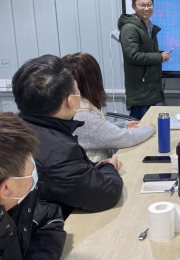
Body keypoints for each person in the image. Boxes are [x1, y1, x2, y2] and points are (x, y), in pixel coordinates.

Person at [12, 55, 124, 219]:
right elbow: (107, 195)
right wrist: (110, 167)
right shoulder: (59, 152)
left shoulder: (18, 126)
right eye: (77, 89)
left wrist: (95, 167)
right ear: (71, 101)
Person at [0, 112, 66, 260]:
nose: (34, 171)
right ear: (6, 188)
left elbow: (48, 220)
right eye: (30, 166)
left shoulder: (17, 202)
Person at [62, 52, 156, 163]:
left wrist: (121, 126)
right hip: (94, 173)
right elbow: (125, 139)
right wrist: (149, 128)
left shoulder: (74, 107)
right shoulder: (82, 115)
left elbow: (94, 131)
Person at [119, 0, 170, 121]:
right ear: (133, 7)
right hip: (140, 89)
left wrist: (160, 54)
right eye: (142, 5)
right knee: (138, 126)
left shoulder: (147, 26)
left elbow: (145, 51)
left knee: (148, 125)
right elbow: (133, 55)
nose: (147, 8)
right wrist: (159, 57)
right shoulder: (130, 28)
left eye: (149, 5)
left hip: (149, 87)